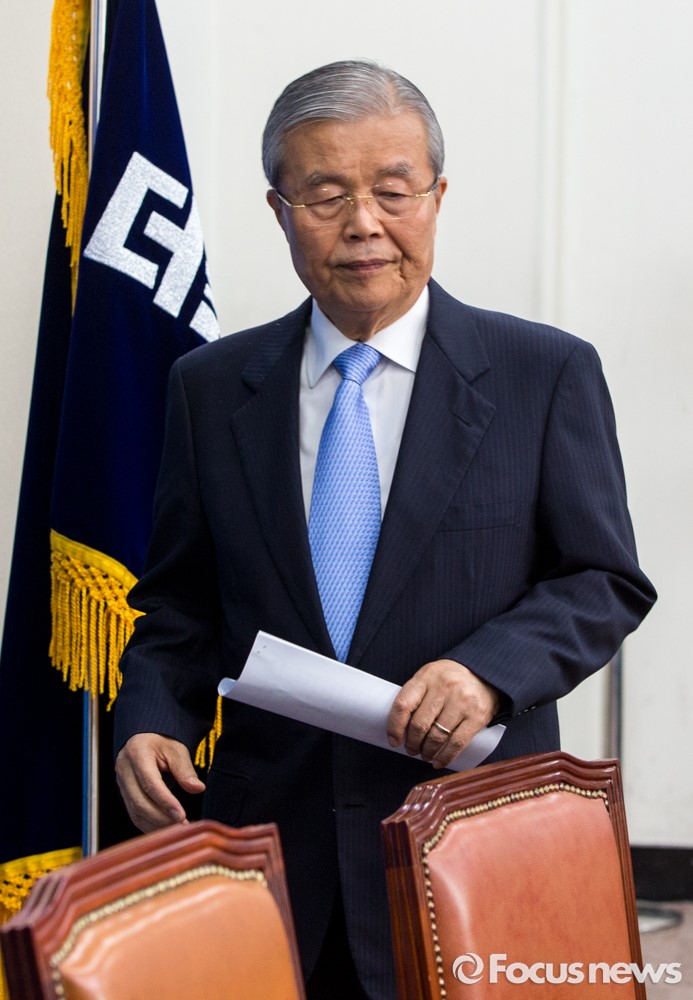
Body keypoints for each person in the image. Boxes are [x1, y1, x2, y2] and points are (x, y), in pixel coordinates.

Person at [114, 60, 656, 1000]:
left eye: (393, 191)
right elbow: (182, 602)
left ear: (437, 197)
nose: (363, 223)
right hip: (273, 858)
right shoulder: (209, 388)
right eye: (326, 195)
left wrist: (487, 672)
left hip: (475, 850)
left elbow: (602, 580)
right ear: (280, 210)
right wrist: (152, 718)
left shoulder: (542, 373)